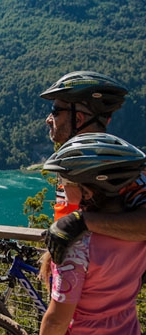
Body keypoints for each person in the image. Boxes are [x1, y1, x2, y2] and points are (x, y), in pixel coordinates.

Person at [23, 133, 146, 335]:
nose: (60, 185)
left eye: (64, 180)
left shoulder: (76, 245)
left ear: (88, 190)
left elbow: (58, 318)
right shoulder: (137, 235)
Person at [39, 71, 146, 264]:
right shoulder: (74, 165)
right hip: (70, 287)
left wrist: (82, 221)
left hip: (97, 291)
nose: (48, 119)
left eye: (55, 111)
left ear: (78, 119)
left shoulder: (121, 170)